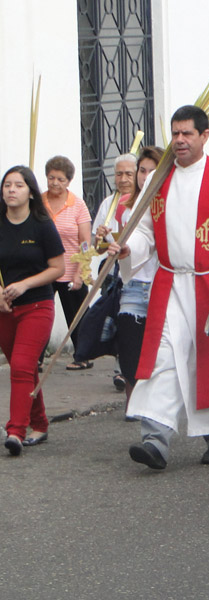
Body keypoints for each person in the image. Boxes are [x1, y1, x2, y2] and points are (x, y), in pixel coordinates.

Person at [110, 105, 209, 470]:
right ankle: (155, 438)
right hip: (168, 283)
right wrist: (130, 247)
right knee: (161, 359)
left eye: (187, 134)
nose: (179, 140)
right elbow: (145, 229)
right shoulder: (156, 179)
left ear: (204, 136)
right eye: (175, 134)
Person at [0, 166, 66, 454]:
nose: (11, 190)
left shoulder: (41, 224)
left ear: (30, 192)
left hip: (37, 305)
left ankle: (15, 431)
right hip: (5, 309)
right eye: (7, 185)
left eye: (18, 185)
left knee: (23, 365)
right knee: (22, 367)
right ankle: (39, 423)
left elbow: (58, 268)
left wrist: (25, 284)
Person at [93, 146, 164, 409]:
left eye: (150, 171)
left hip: (162, 283)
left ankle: (158, 404)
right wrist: (106, 239)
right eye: (141, 171)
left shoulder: (171, 201)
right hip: (133, 283)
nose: (144, 177)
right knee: (130, 347)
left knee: (160, 350)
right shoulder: (120, 205)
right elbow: (111, 248)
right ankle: (133, 404)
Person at [41, 155, 93, 371]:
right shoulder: (38, 203)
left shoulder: (77, 205)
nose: (55, 183)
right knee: (40, 314)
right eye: (51, 177)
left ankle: (83, 356)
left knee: (77, 314)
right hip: (43, 270)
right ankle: (36, 358)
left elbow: (85, 242)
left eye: (60, 179)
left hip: (71, 268)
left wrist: (80, 272)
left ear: (69, 181)